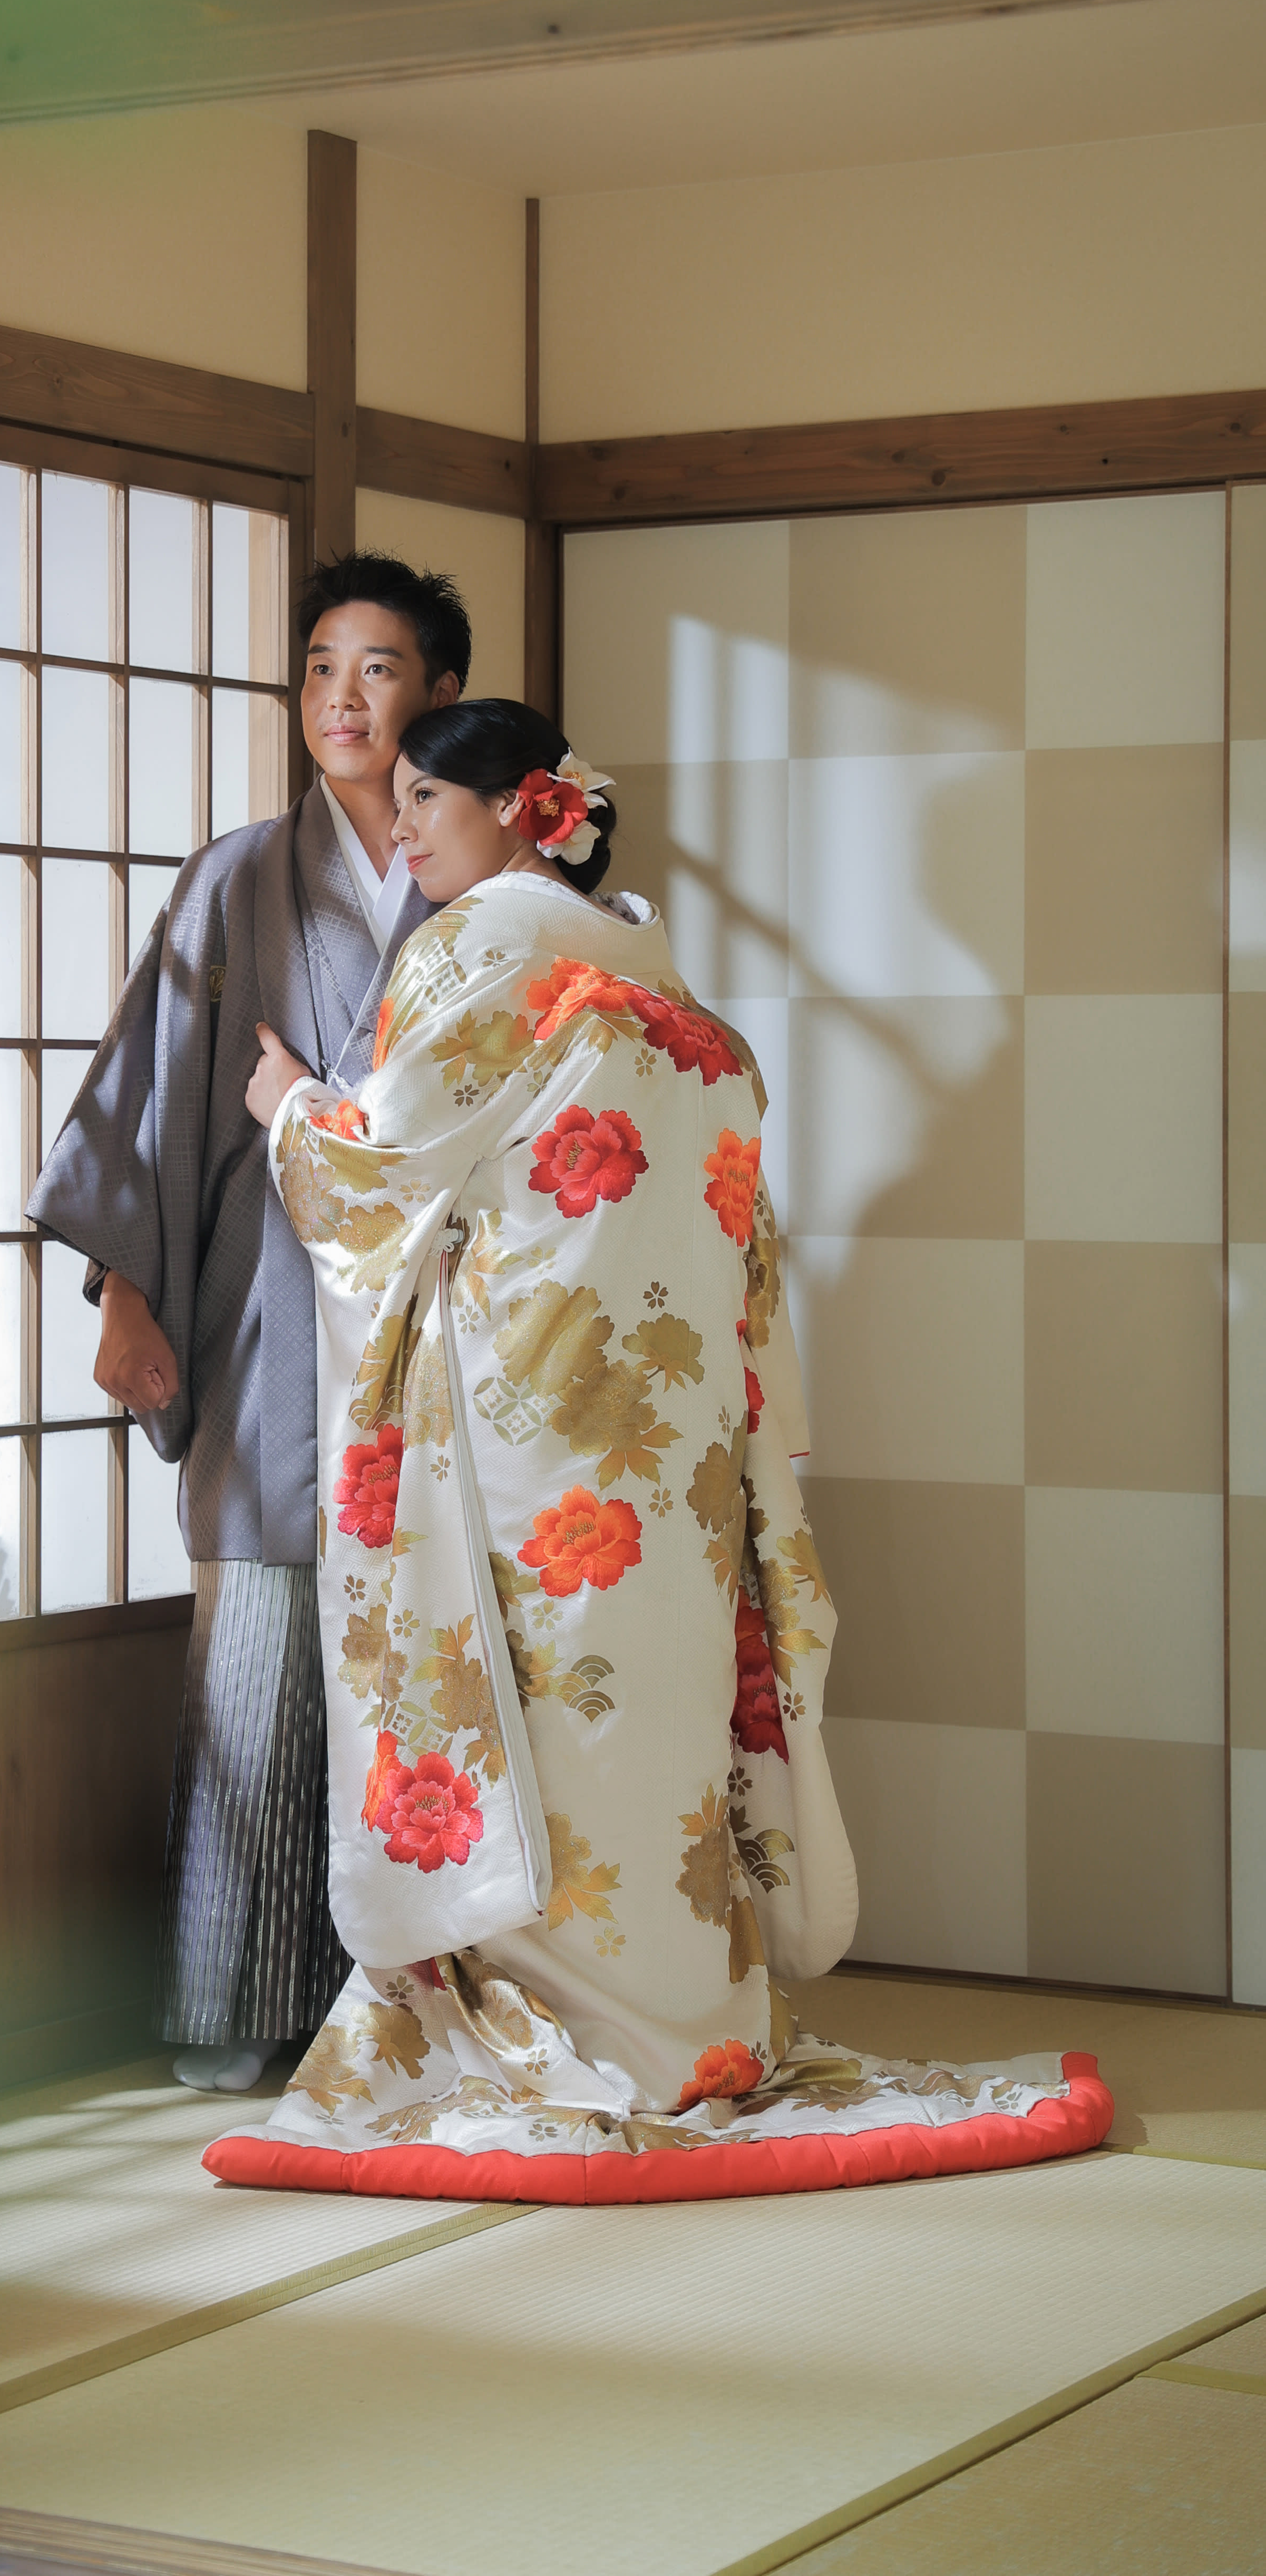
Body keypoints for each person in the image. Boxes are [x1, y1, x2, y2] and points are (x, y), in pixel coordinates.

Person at [204, 699, 1112, 2199]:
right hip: (670, 1445)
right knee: (645, 1710)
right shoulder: (659, 974)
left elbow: (385, 1166)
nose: (403, 826)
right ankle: (687, 2021)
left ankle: (562, 2025)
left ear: (520, 808)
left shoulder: (480, 948)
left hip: (526, 1416)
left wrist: (291, 1103)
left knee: (542, 1703)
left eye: (427, 798)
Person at [28, 550, 470, 2094]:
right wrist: (126, 1296)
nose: (343, 700)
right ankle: (236, 2011)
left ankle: (410, 2010)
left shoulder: (488, 883)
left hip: (442, 1325)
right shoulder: (238, 877)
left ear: (441, 695)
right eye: (323, 669)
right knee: (261, 1663)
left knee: (429, 1665)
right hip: (273, 1312)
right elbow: (149, 1093)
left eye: (380, 669)